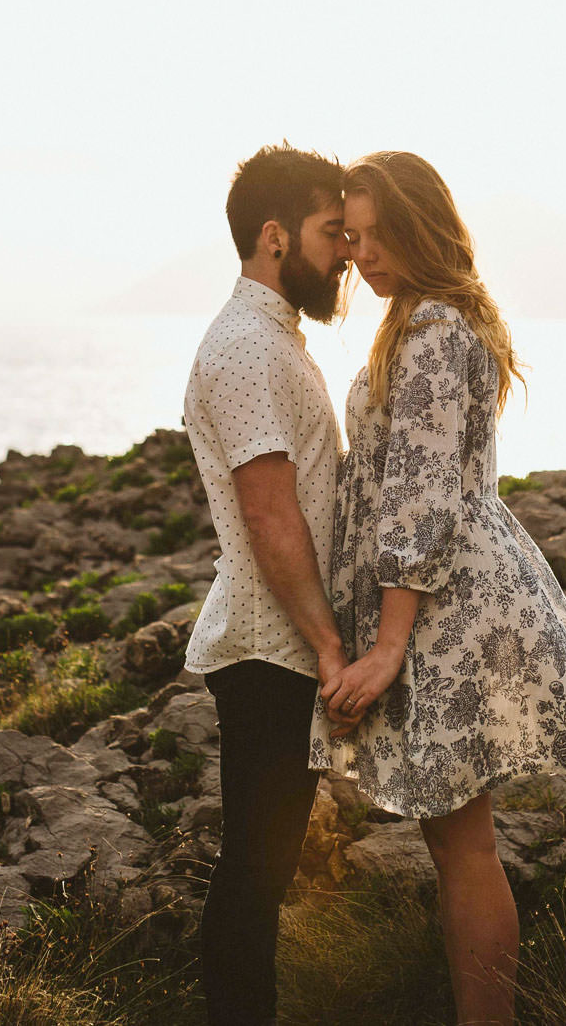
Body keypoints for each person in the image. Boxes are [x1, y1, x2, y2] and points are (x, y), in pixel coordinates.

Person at [310, 150, 566, 1025]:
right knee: (457, 839)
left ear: (424, 229)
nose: (363, 253)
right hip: (447, 594)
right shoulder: (425, 323)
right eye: (353, 235)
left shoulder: (434, 334)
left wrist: (386, 648)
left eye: (381, 234)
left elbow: (417, 498)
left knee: (463, 845)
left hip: (441, 607)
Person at [181, 142, 358, 1026]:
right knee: (253, 875)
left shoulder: (272, 337)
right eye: (334, 232)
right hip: (268, 648)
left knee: (262, 867)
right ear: (276, 237)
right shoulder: (248, 348)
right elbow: (271, 516)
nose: (349, 251)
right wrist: (329, 645)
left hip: (276, 642)